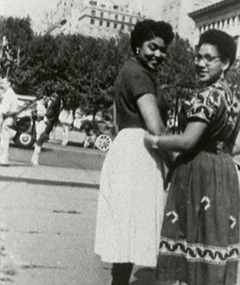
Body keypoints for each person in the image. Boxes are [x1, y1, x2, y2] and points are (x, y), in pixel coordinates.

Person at [145, 29, 240, 285]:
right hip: (223, 175)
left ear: (225, 64)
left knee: (187, 236)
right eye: (198, 57)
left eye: (209, 58)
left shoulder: (208, 95)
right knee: (212, 238)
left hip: (198, 175)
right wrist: (215, 151)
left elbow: (188, 140)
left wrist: (155, 140)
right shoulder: (232, 99)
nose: (200, 63)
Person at [93, 19, 174, 285]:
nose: (159, 55)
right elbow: (156, 128)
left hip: (126, 147)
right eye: (153, 47)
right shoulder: (139, 74)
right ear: (138, 45)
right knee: (130, 230)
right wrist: (173, 161)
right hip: (139, 151)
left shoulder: (128, 70)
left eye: (163, 50)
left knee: (124, 232)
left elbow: (117, 120)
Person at [30, 92, 62, 166]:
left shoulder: (46, 105)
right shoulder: (42, 104)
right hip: (42, 123)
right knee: (40, 140)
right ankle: (35, 158)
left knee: (40, 140)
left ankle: (34, 158)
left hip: (42, 122)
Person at [0, 77, 19, 166]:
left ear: (9, 83)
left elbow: (5, 109)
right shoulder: (9, 93)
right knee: (4, 139)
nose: (1, 85)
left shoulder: (9, 93)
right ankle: (3, 159)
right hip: (8, 118)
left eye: (3, 83)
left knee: (4, 139)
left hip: (7, 118)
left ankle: (4, 160)